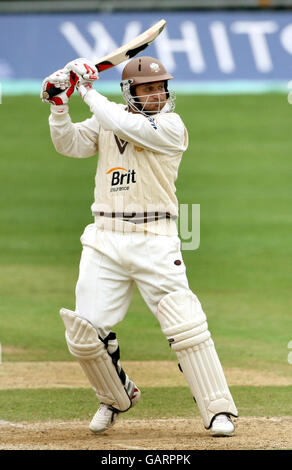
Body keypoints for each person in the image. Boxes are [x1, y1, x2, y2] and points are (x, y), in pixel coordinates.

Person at [41, 56, 238, 437]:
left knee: (187, 324)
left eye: (161, 87)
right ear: (131, 91)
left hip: (155, 237)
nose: (158, 94)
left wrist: (83, 87)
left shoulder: (171, 126)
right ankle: (116, 397)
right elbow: (70, 145)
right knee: (84, 334)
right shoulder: (107, 117)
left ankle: (218, 410)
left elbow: (123, 123)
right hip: (105, 237)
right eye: (148, 88)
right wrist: (59, 106)